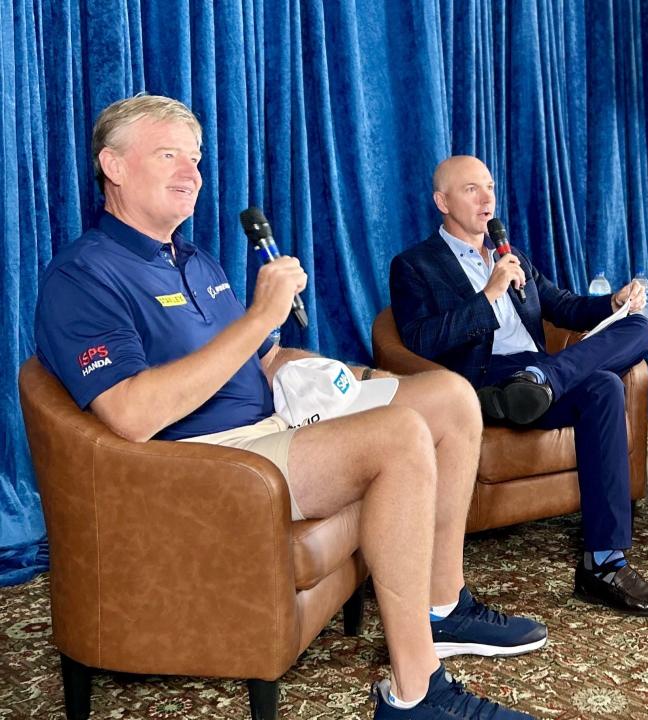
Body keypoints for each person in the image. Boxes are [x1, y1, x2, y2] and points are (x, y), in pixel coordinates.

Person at [34, 94, 545, 720]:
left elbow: (262, 359)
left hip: (271, 422)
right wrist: (259, 318)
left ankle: (442, 605)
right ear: (112, 166)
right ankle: (415, 693)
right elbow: (129, 414)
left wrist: (348, 374)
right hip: (201, 465)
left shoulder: (196, 261)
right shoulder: (84, 275)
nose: (193, 173)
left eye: (196, 159)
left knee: (448, 396)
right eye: (170, 155)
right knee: (397, 436)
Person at [389, 155, 648, 618]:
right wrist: (489, 294)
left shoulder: (513, 254)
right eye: (471, 190)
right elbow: (421, 340)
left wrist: (614, 301)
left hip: (536, 379)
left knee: (640, 332)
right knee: (602, 383)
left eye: (489, 186)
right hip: (482, 381)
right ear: (441, 201)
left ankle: (603, 563)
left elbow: (564, 306)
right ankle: (605, 560)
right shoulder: (414, 265)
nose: (487, 198)